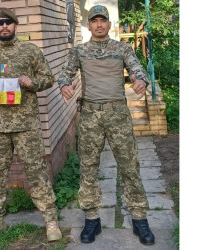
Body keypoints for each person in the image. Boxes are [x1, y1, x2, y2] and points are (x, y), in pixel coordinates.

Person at [58, 5, 155, 246]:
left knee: (129, 166)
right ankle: (92, 218)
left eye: (103, 21)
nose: (99, 25)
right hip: (90, 116)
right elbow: (64, 74)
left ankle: (140, 218)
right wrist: (64, 85)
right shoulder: (79, 51)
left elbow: (136, 68)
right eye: (95, 21)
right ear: (89, 25)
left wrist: (139, 79)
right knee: (88, 168)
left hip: (118, 115)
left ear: (109, 25)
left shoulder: (122, 48)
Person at [0, 7, 62, 243]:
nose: (4, 27)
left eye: (8, 22)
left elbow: (49, 78)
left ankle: (51, 220)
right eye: (0, 23)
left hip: (26, 125)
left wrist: (33, 82)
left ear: (15, 25)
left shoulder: (30, 51)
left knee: (37, 173)